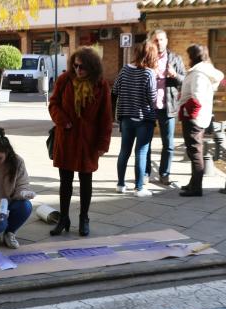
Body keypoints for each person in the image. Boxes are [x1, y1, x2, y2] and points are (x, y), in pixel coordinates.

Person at [48, 46, 112, 237]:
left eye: (82, 67)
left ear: (91, 67)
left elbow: (106, 117)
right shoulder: (64, 80)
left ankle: (84, 218)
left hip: (88, 140)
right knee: (65, 181)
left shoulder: (100, 85)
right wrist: (63, 121)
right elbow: (54, 104)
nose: (78, 70)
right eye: (75, 66)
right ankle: (64, 218)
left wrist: (102, 144)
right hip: (66, 138)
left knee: (86, 181)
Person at [112, 41, 158, 198]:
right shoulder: (149, 73)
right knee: (141, 152)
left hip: (126, 118)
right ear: (151, 56)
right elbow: (152, 98)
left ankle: (120, 184)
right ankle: (139, 188)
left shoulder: (125, 70)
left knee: (124, 151)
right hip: (144, 119)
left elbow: (115, 90)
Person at [178, 44, 224, 197]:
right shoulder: (204, 70)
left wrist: (187, 112)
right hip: (199, 116)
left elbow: (197, 97)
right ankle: (193, 183)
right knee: (194, 151)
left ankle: (196, 187)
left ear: (193, 56)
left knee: (195, 153)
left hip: (194, 118)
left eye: (188, 55)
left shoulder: (198, 73)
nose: (187, 58)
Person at [145, 30, 186, 186]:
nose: (159, 43)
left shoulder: (175, 58)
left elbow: (184, 80)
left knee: (168, 144)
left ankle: (164, 174)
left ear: (166, 41)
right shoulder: (147, 58)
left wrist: (174, 74)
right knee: (145, 143)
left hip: (168, 106)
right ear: (152, 42)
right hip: (148, 106)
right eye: (156, 40)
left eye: (161, 40)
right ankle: (145, 173)